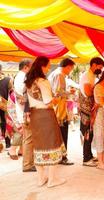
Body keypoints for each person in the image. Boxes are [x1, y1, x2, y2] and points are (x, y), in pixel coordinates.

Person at [25, 56, 66, 188]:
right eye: (48, 66)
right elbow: (48, 101)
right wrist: (56, 99)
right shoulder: (43, 81)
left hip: (35, 116)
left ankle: (41, 178)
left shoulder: (30, 81)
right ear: (42, 66)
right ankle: (52, 180)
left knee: (38, 146)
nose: (49, 68)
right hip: (46, 115)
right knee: (52, 144)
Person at [48, 58, 75, 165]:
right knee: (62, 132)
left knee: (58, 133)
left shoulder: (54, 74)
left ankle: (58, 156)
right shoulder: (59, 75)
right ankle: (62, 157)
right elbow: (58, 92)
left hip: (56, 108)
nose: (71, 71)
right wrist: (69, 93)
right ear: (67, 66)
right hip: (59, 108)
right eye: (71, 68)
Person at [79, 57, 104, 167]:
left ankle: (89, 155)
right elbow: (87, 92)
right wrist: (97, 88)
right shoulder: (87, 75)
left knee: (90, 131)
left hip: (90, 107)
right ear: (94, 64)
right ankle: (86, 158)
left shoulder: (92, 75)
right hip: (86, 107)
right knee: (87, 133)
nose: (101, 69)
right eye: (100, 67)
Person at [14, 59, 36, 172]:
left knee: (27, 139)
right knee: (28, 139)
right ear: (26, 67)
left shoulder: (19, 76)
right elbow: (25, 96)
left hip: (23, 112)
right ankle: (27, 164)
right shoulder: (23, 77)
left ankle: (28, 163)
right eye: (31, 66)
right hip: (25, 113)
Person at [0, 64, 13, 149]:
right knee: (5, 122)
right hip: (4, 104)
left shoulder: (8, 79)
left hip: (4, 105)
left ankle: (7, 142)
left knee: (5, 123)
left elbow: (11, 92)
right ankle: (7, 143)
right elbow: (12, 92)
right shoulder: (8, 80)